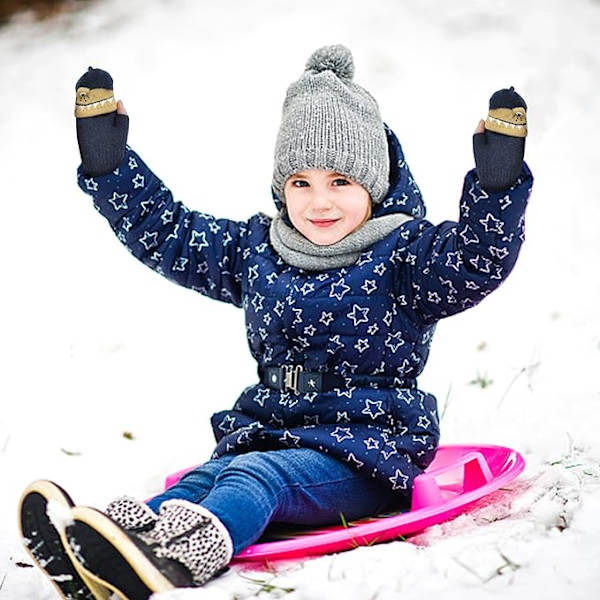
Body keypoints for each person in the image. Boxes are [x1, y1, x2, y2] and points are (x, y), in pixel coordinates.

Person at [19, 44, 533, 599]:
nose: (319, 202)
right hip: (267, 433)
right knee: (204, 479)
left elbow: (478, 260)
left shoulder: (406, 256)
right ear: (281, 187)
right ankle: (105, 546)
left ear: (374, 186)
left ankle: (175, 559)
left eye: (341, 182)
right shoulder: (257, 250)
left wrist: (497, 184)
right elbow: (168, 232)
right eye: (300, 183)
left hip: (364, 453)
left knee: (251, 480)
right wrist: (108, 166)